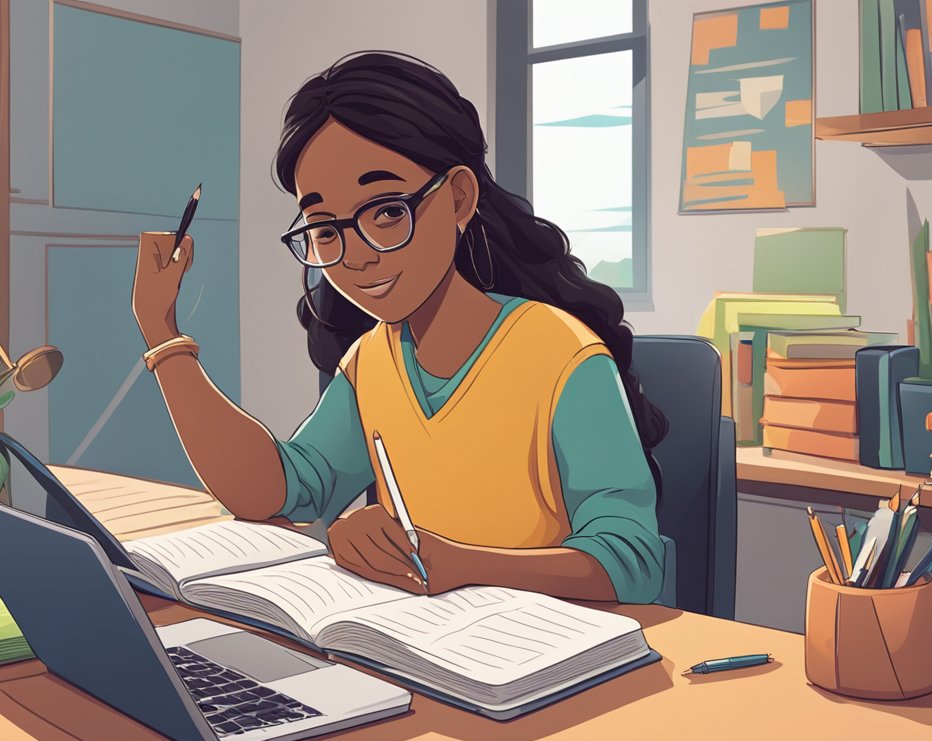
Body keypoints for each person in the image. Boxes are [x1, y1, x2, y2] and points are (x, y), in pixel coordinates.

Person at [131, 51, 667, 604]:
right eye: (324, 229)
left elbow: (632, 562)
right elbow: (280, 492)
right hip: (420, 651)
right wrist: (161, 332)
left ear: (458, 198)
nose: (356, 257)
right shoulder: (372, 362)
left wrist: (462, 564)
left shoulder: (560, 353)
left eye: (386, 211)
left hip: (550, 658)